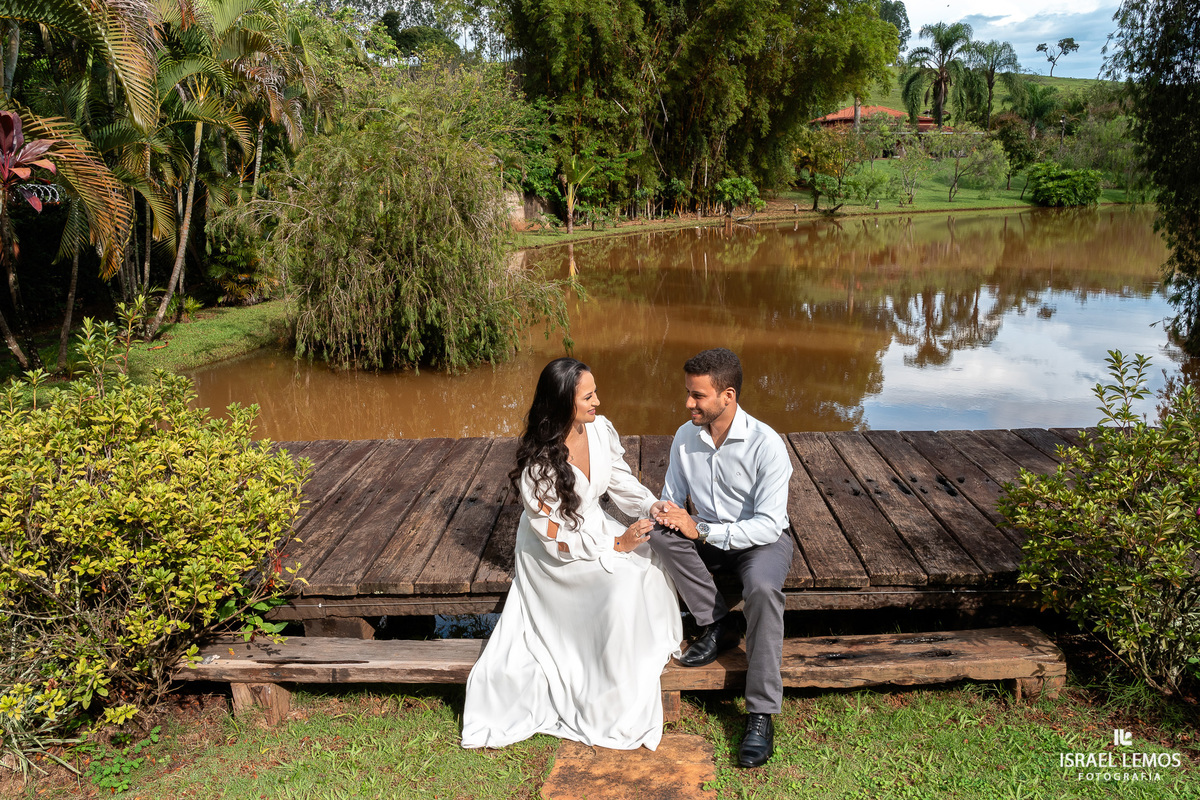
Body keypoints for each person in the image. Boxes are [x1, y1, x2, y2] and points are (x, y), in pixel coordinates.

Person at [461, 357, 682, 751]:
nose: (598, 401)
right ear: (563, 404)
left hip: (593, 526)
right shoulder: (537, 468)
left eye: (595, 392)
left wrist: (651, 507)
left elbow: (618, 479)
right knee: (620, 582)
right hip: (555, 553)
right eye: (589, 396)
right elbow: (555, 539)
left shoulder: (598, 429)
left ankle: (632, 661)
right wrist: (616, 545)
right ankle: (606, 683)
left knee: (651, 562)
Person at [648, 348, 792, 768]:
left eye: (697, 396)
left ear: (727, 396)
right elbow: (672, 498)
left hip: (759, 542)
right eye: (688, 394)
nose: (688, 403)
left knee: (763, 589)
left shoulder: (767, 445)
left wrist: (703, 529)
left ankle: (760, 713)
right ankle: (719, 622)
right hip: (707, 537)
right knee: (659, 535)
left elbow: (768, 525)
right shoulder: (684, 437)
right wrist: (663, 511)